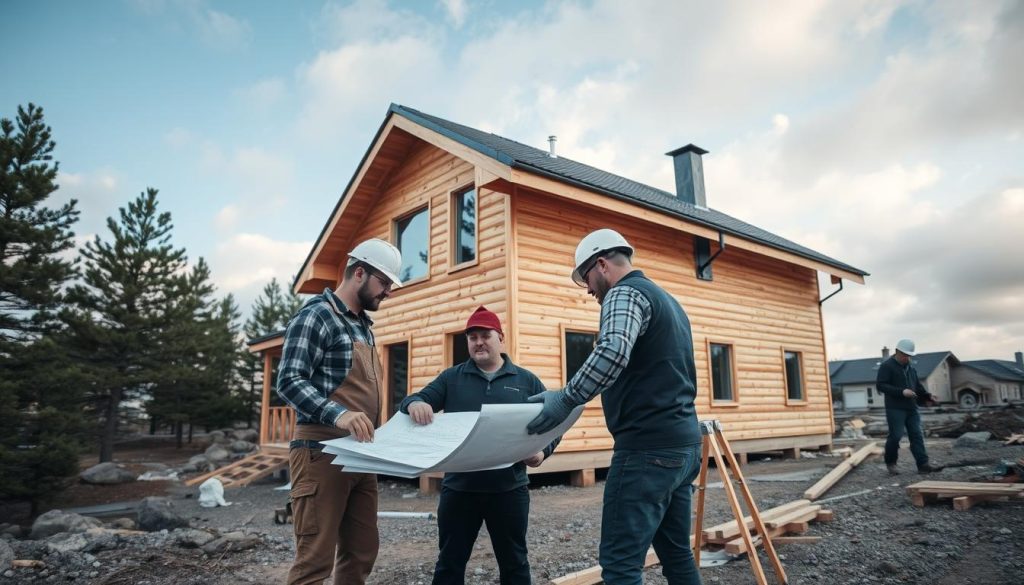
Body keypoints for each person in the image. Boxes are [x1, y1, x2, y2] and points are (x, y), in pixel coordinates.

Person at [526, 228, 703, 585]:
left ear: (603, 264)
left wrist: (566, 397)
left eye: (587, 279)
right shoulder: (666, 299)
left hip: (647, 451)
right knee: (677, 554)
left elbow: (612, 351)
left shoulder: (623, 294)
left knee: (621, 565)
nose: (589, 290)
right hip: (684, 447)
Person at [399, 305, 559, 585]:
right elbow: (414, 399)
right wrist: (417, 403)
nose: (479, 342)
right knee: (449, 564)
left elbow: (554, 422)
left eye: (485, 335)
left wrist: (542, 452)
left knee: (515, 564)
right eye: (472, 337)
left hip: (509, 490)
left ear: (501, 338)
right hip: (460, 490)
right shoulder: (452, 378)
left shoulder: (526, 380)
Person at [276, 238, 403, 585]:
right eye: (384, 283)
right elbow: (288, 380)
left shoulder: (363, 326)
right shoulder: (317, 315)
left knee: (361, 553)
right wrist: (338, 414)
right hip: (321, 453)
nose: (388, 292)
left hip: (362, 455)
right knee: (315, 561)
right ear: (359, 273)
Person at [876, 338, 942, 475]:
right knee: (896, 436)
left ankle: (923, 465)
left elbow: (917, 387)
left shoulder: (911, 369)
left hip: (912, 408)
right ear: (897, 352)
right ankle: (891, 463)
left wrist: (928, 396)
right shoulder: (886, 366)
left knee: (917, 435)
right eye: (905, 355)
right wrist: (901, 392)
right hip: (895, 408)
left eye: (909, 356)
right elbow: (881, 385)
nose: (907, 358)